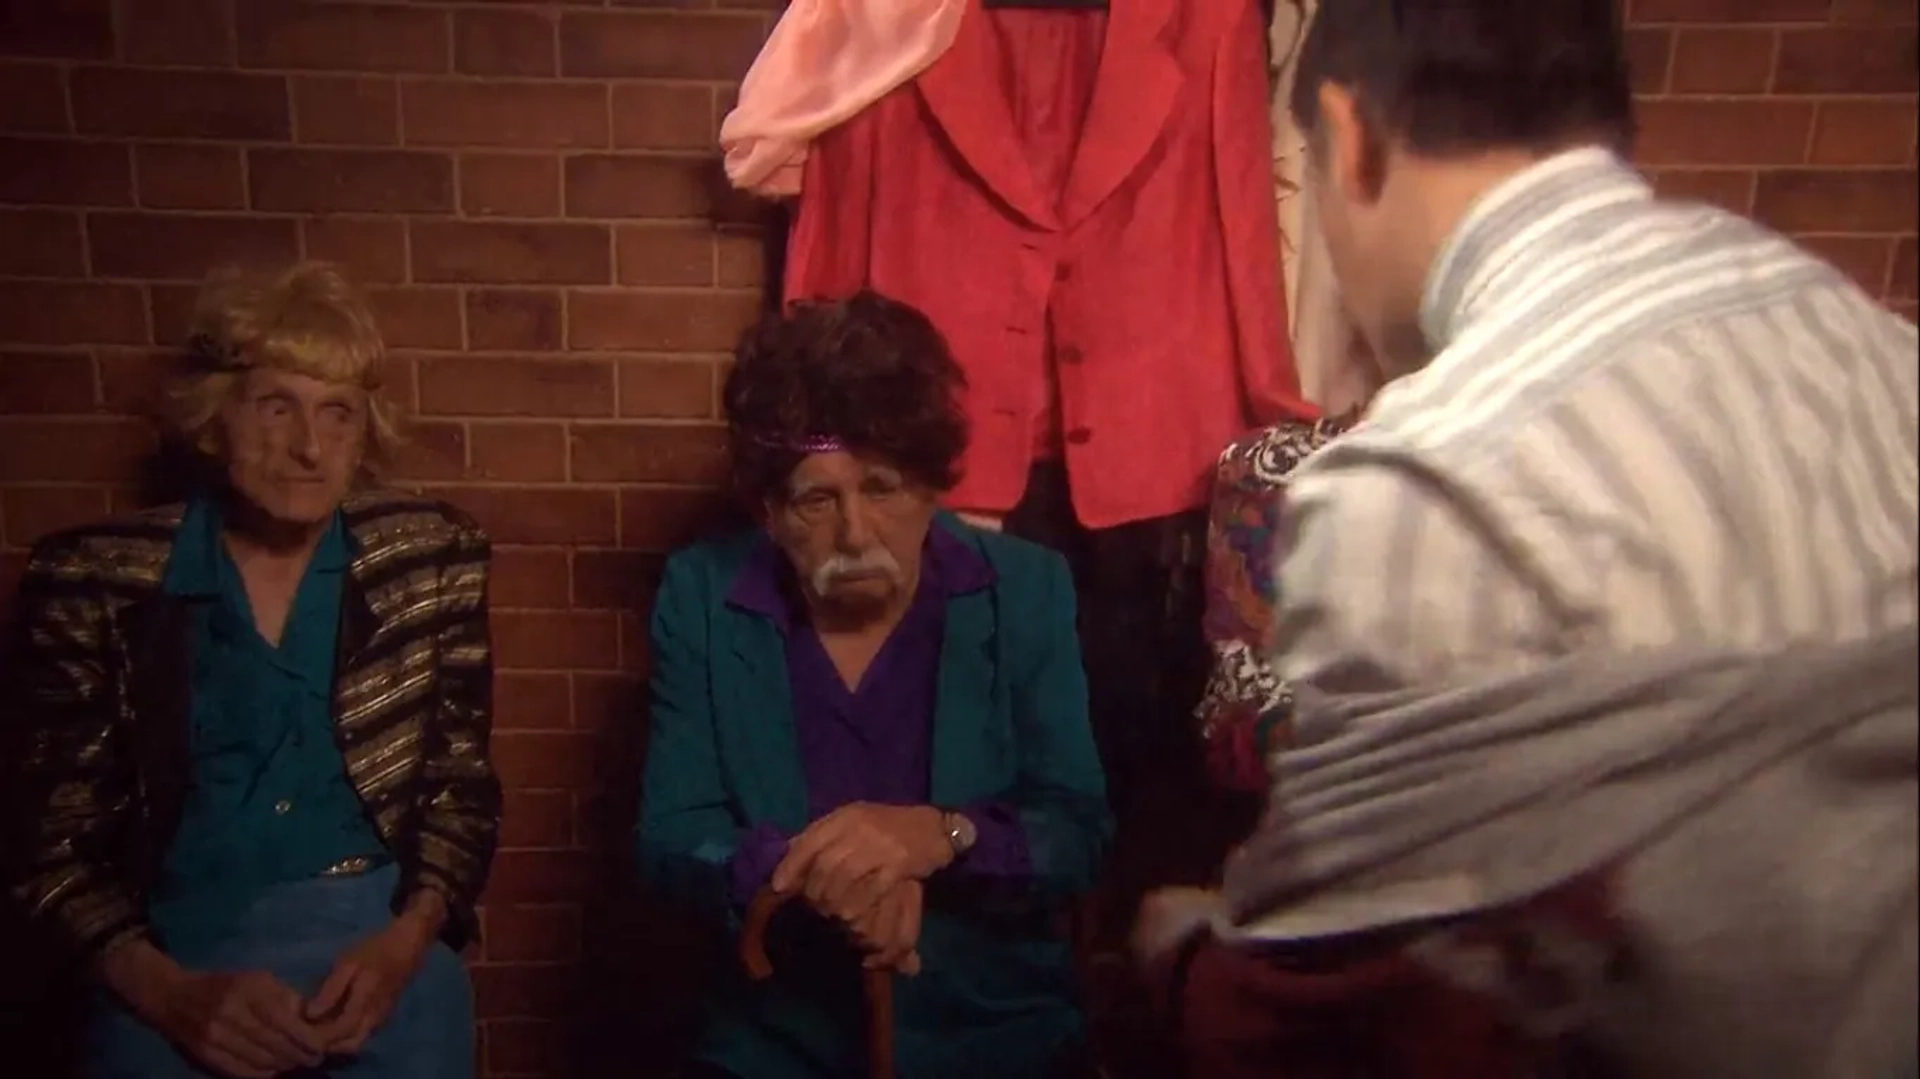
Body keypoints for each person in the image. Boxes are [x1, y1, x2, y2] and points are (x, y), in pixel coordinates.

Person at [1134, 1, 1918, 1077]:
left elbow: (1330, 1016)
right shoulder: (1871, 344)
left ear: (1350, 140)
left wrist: (1177, 954)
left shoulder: (1426, 477)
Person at [3, 261, 503, 1079]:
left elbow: (461, 791)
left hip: (376, 943)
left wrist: (406, 945)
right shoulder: (96, 581)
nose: (308, 447)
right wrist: (169, 994)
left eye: (337, 413)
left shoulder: (429, 558)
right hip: (171, 951)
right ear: (217, 417)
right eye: (276, 406)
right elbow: (48, 845)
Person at [636, 291, 1111, 1079]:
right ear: (769, 511)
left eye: (882, 488)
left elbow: (1077, 830)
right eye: (817, 498)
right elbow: (672, 837)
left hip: (998, 1035)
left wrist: (942, 836)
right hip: (771, 1042)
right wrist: (816, 876)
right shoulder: (704, 597)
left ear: (930, 487)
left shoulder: (1026, 591)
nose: (855, 532)